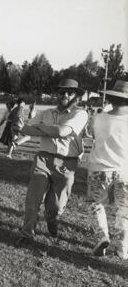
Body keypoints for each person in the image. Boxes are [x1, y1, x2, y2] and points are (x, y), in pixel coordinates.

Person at [15, 79, 89, 246]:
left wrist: (41, 127)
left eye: (70, 92)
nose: (65, 95)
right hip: (42, 158)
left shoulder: (80, 114)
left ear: (76, 95)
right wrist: (50, 129)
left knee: (55, 206)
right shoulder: (46, 112)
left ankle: (52, 219)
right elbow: (25, 129)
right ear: (57, 93)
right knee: (33, 200)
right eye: (62, 91)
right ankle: (27, 234)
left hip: (66, 163)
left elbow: (63, 132)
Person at [86, 80, 128, 259]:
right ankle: (123, 248)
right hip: (125, 171)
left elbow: (93, 135)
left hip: (99, 168)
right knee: (124, 210)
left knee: (95, 204)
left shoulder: (99, 117)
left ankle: (102, 236)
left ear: (111, 97)